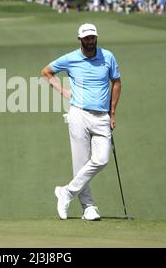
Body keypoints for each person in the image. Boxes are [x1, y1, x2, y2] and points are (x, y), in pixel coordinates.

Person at [41, 23, 122, 221]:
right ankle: (88, 208)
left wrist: (112, 113)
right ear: (80, 39)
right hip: (78, 114)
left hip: (102, 116)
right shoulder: (71, 58)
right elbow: (46, 72)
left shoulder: (108, 57)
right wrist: (64, 92)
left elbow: (117, 82)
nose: (90, 41)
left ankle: (66, 192)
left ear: (96, 37)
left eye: (92, 37)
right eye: (86, 38)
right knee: (80, 163)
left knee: (101, 159)